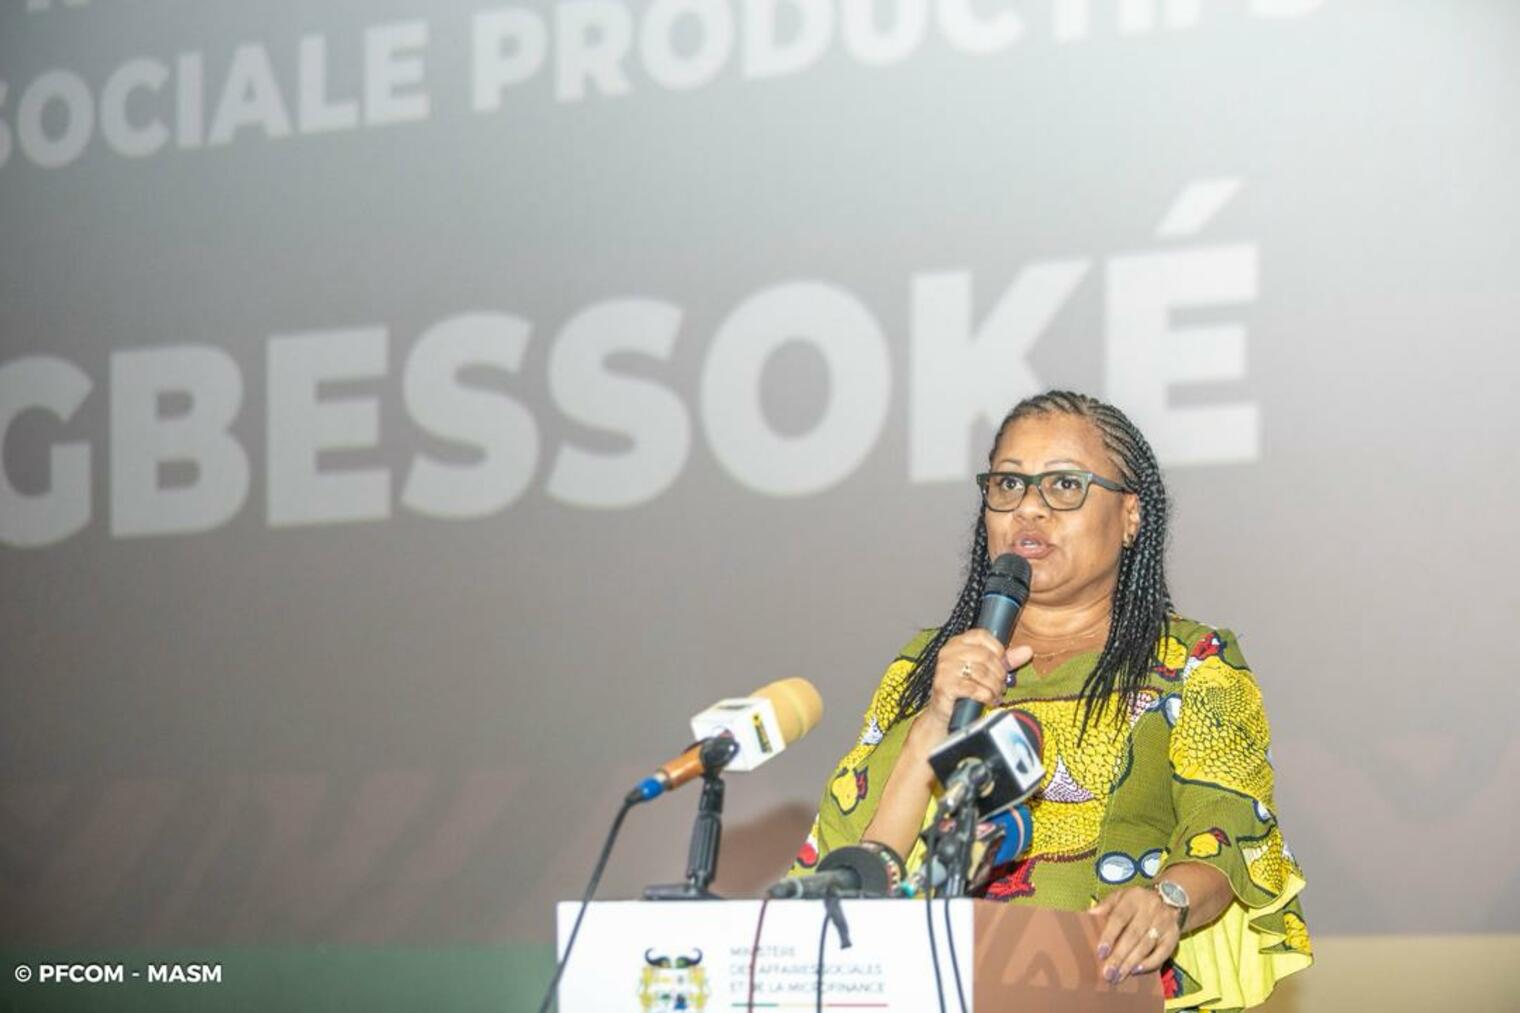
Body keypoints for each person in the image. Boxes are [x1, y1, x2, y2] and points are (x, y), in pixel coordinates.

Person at [792, 391, 1311, 1011]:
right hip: (936, 987)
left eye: (1065, 485)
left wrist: (1167, 901)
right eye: (1009, 484)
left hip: (1109, 987)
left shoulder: (1190, 661)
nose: (1029, 508)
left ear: (1130, 515)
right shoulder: (929, 666)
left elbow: (1229, 826)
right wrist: (934, 722)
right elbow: (854, 867)